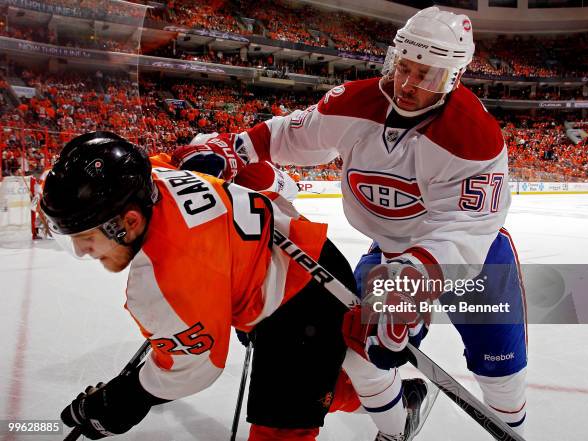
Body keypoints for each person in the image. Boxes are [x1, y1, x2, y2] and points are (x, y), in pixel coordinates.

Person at [178, 7, 528, 437]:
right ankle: (399, 425)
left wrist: (409, 286)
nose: (408, 85)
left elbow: (466, 228)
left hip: (476, 261)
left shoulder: (474, 135)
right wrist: (236, 149)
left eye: (427, 76)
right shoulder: (357, 100)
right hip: (389, 252)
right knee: (355, 358)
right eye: (404, 68)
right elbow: (291, 135)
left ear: (454, 77)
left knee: (501, 376)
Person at [41, 131, 422, 441]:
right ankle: (397, 404)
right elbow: (168, 160)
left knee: (282, 421)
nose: (82, 250)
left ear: (129, 221)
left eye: (85, 237)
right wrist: (201, 150)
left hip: (299, 293)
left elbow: (196, 368)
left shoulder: (168, 278)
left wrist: (124, 400)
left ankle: (394, 410)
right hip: (297, 256)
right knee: (321, 374)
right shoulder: (151, 179)